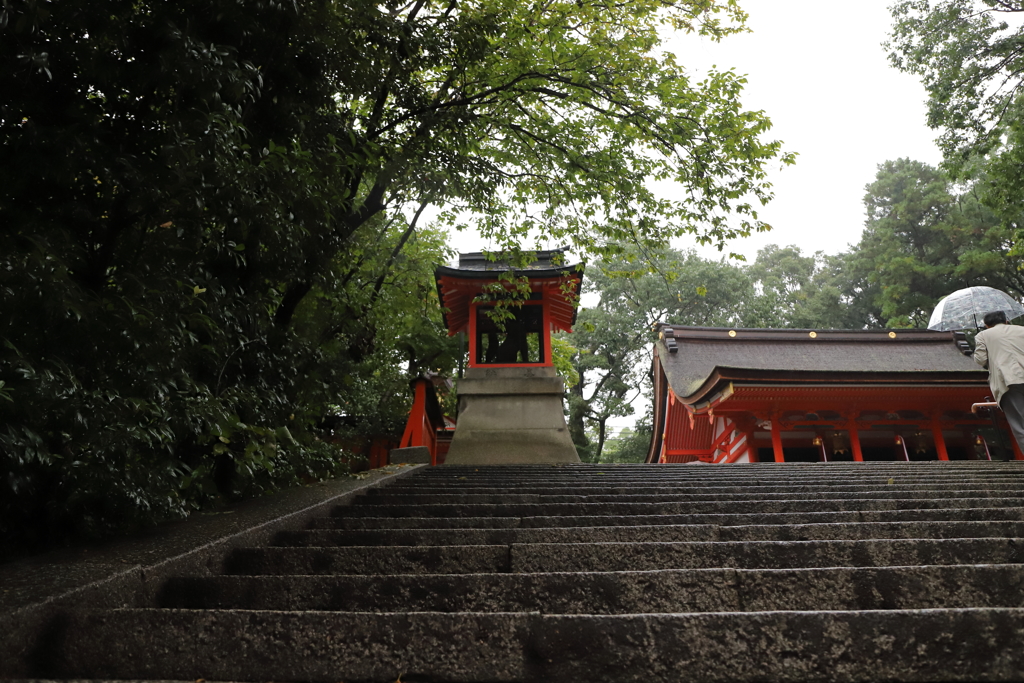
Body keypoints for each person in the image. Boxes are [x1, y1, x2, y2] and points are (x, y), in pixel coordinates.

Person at [973, 310, 1024, 454]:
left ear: (987, 325)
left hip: (1008, 380)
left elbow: (980, 359)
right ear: (1006, 321)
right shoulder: (1022, 330)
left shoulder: (983, 335)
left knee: (1020, 424)